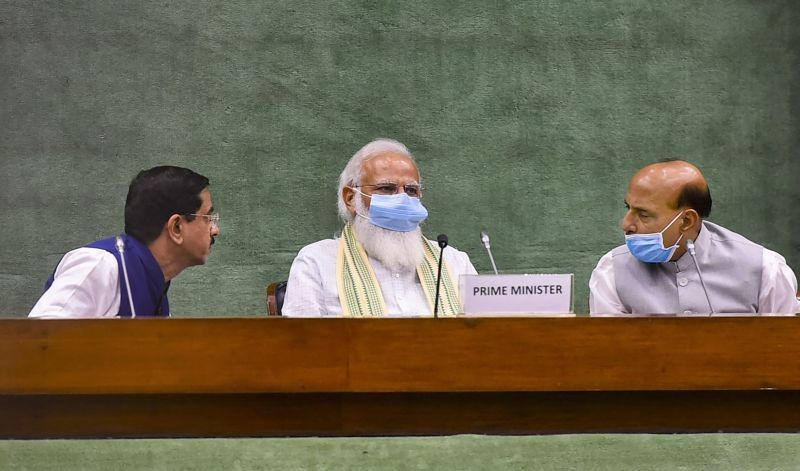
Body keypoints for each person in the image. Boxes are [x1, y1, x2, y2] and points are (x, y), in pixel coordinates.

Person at [282, 138, 477, 317]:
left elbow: (489, 333)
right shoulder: (316, 261)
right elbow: (301, 344)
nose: (401, 199)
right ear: (351, 198)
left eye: (411, 190)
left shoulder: (453, 261)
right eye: (386, 188)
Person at [589, 160, 797, 315]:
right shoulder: (612, 271)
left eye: (643, 214)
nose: (626, 224)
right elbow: (609, 357)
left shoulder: (765, 270)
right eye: (628, 208)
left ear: (687, 221)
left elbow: (785, 352)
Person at [29, 166, 220, 318]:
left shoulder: (157, 289)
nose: (215, 230)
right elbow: (38, 342)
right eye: (208, 218)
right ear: (176, 227)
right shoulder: (101, 265)